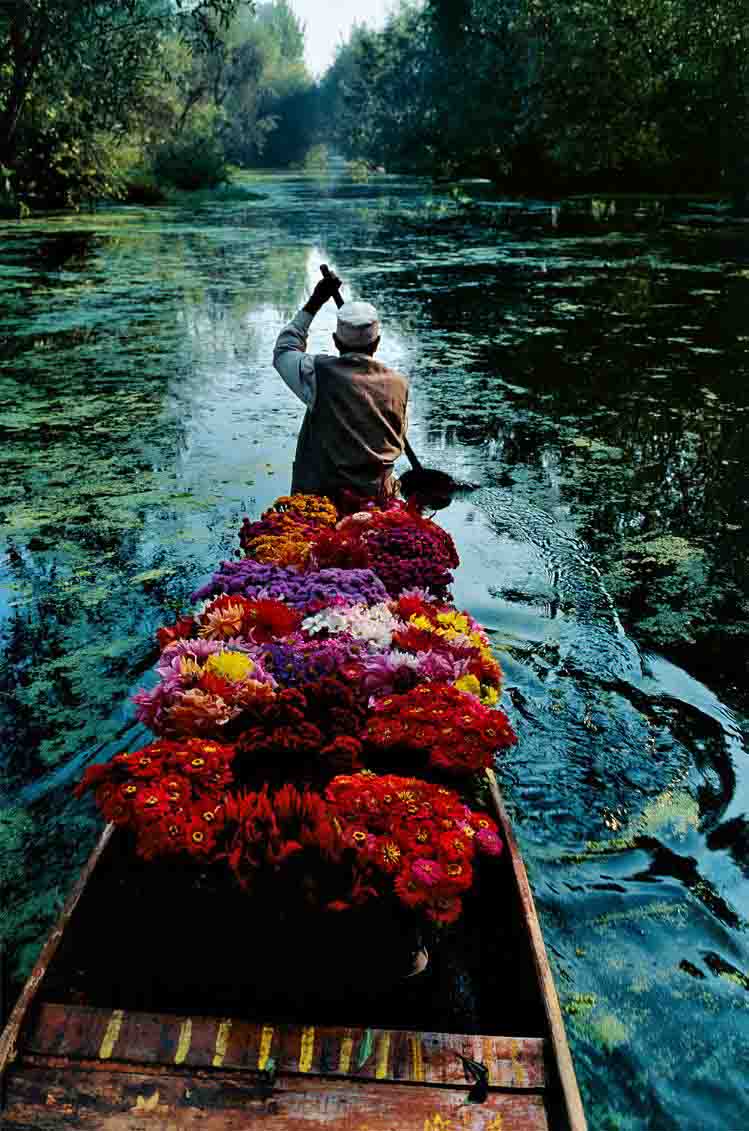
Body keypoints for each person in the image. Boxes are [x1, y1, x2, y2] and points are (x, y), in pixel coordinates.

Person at [273, 270, 409, 501]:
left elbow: (285, 349)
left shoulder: (317, 372)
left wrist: (315, 302)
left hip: (321, 501)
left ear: (336, 341)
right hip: (378, 497)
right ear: (377, 343)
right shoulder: (399, 383)